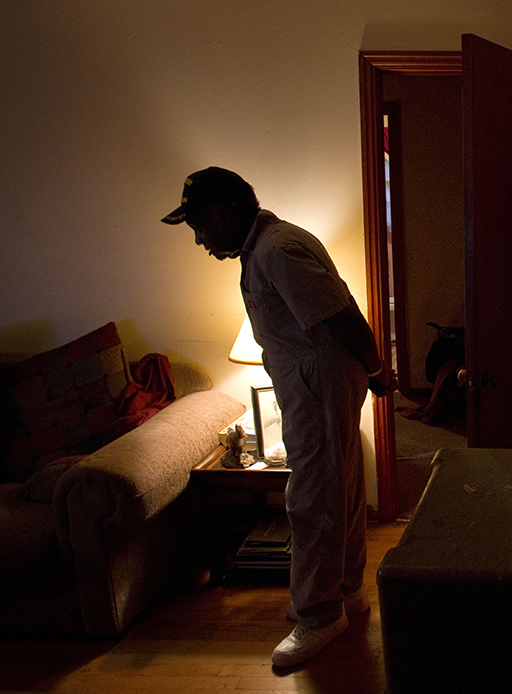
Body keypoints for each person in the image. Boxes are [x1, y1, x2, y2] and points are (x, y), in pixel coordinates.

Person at [162, 167, 394, 667]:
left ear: (225, 211)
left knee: (313, 496)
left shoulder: (275, 251)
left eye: (200, 225)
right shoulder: (267, 246)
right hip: (313, 373)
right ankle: (345, 591)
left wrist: (376, 369)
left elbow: (341, 316)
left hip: (317, 375)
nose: (200, 240)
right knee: (339, 485)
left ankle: (319, 615)